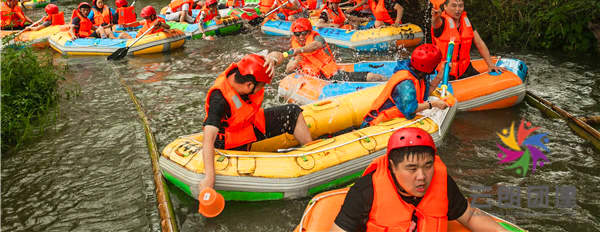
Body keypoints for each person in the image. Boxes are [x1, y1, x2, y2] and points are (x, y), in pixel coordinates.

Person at [331, 128, 507, 232]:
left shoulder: (442, 182)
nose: (422, 176)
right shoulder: (365, 191)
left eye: (428, 166)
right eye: (412, 169)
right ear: (392, 166)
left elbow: (469, 217)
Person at [200, 53, 313, 192]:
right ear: (249, 85)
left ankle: (312, 153)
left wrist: (273, 59)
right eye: (262, 85)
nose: (263, 88)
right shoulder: (219, 100)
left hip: (251, 122)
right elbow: (208, 140)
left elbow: (278, 55)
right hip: (230, 141)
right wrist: (209, 178)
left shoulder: (246, 72)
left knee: (293, 112)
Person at [361, 44, 450, 128]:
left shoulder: (418, 73)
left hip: (393, 120)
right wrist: (434, 104)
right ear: (428, 67)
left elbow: (424, 94)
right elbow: (411, 110)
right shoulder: (405, 84)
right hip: (378, 123)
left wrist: (439, 76)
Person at [430, 0, 505, 82]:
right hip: (445, 71)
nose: (458, 9)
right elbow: (435, 23)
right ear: (445, 7)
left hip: (465, 69)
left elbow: (479, 43)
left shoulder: (466, 21)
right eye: (454, 6)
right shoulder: (441, 22)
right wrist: (435, 17)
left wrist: (490, 64)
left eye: (460, 6)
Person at [285, 18, 385, 82]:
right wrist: (295, 62)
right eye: (297, 34)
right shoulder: (295, 47)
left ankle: (386, 80)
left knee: (370, 77)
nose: (301, 37)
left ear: (309, 32)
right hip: (314, 78)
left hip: (331, 73)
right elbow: (288, 69)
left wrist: (300, 50)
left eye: (304, 33)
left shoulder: (316, 38)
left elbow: (316, 45)